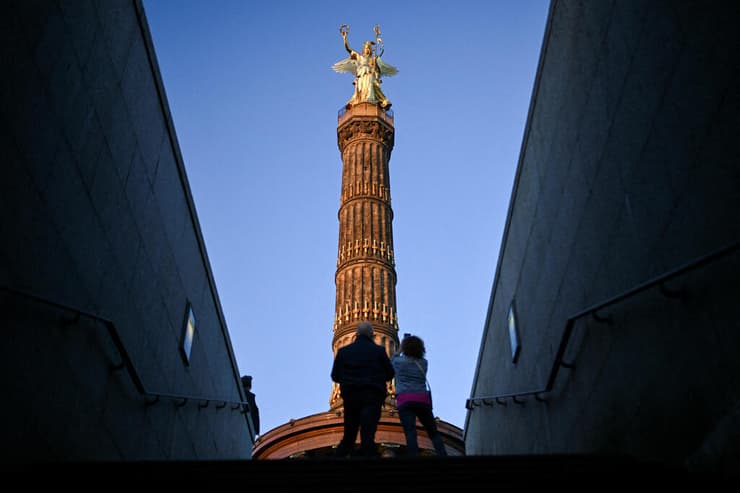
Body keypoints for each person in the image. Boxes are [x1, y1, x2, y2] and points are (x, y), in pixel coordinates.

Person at [331, 320, 395, 458]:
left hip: (351, 397)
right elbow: (390, 373)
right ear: (372, 334)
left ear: (356, 334)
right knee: (368, 433)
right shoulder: (379, 351)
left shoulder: (343, 352)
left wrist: (348, 380)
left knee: (349, 435)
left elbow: (335, 376)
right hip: (372, 396)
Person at [391, 334, 447, 457]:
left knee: (410, 431)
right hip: (422, 400)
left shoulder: (399, 362)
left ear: (405, 348)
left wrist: (399, 350)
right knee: (432, 431)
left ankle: (413, 456)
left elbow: (392, 360)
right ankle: (442, 454)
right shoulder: (424, 363)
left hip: (405, 400)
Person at [332, 26, 398, 110]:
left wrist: (381, 45)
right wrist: (345, 38)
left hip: (370, 74)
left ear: (370, 50)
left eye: (368, 48)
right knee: (360, 88)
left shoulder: (372, 59)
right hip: (361, 75)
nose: (366, 49)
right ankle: (361, 101)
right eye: (365, 48)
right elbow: (348, 49)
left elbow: (380, 55)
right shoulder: (359, 57)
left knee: (371, 83)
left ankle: (372, 100)